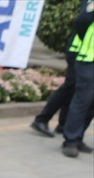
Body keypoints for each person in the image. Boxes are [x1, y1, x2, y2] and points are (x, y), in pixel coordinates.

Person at [32, 1, 94, 142]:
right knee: (71, 85)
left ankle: (63, 124)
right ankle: (43, 118)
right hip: (79, 51)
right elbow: (82, 22)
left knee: (75, 88)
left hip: (83, 52)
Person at [60, 2, 94, 158]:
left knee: (91, 104)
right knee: (82, 101)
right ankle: (70, 141)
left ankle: (78, 137)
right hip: (88, 60)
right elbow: (81, 22)